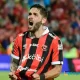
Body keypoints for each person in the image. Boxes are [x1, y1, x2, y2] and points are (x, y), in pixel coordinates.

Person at [9, 4, 63, 80]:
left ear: (43, 20)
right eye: (30, 14)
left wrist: (41, 77)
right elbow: (14, 62)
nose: (30, 16)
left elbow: (57, 70)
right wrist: (13, 73)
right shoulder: (20, 38)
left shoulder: (54, 40)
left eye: (35, 14)